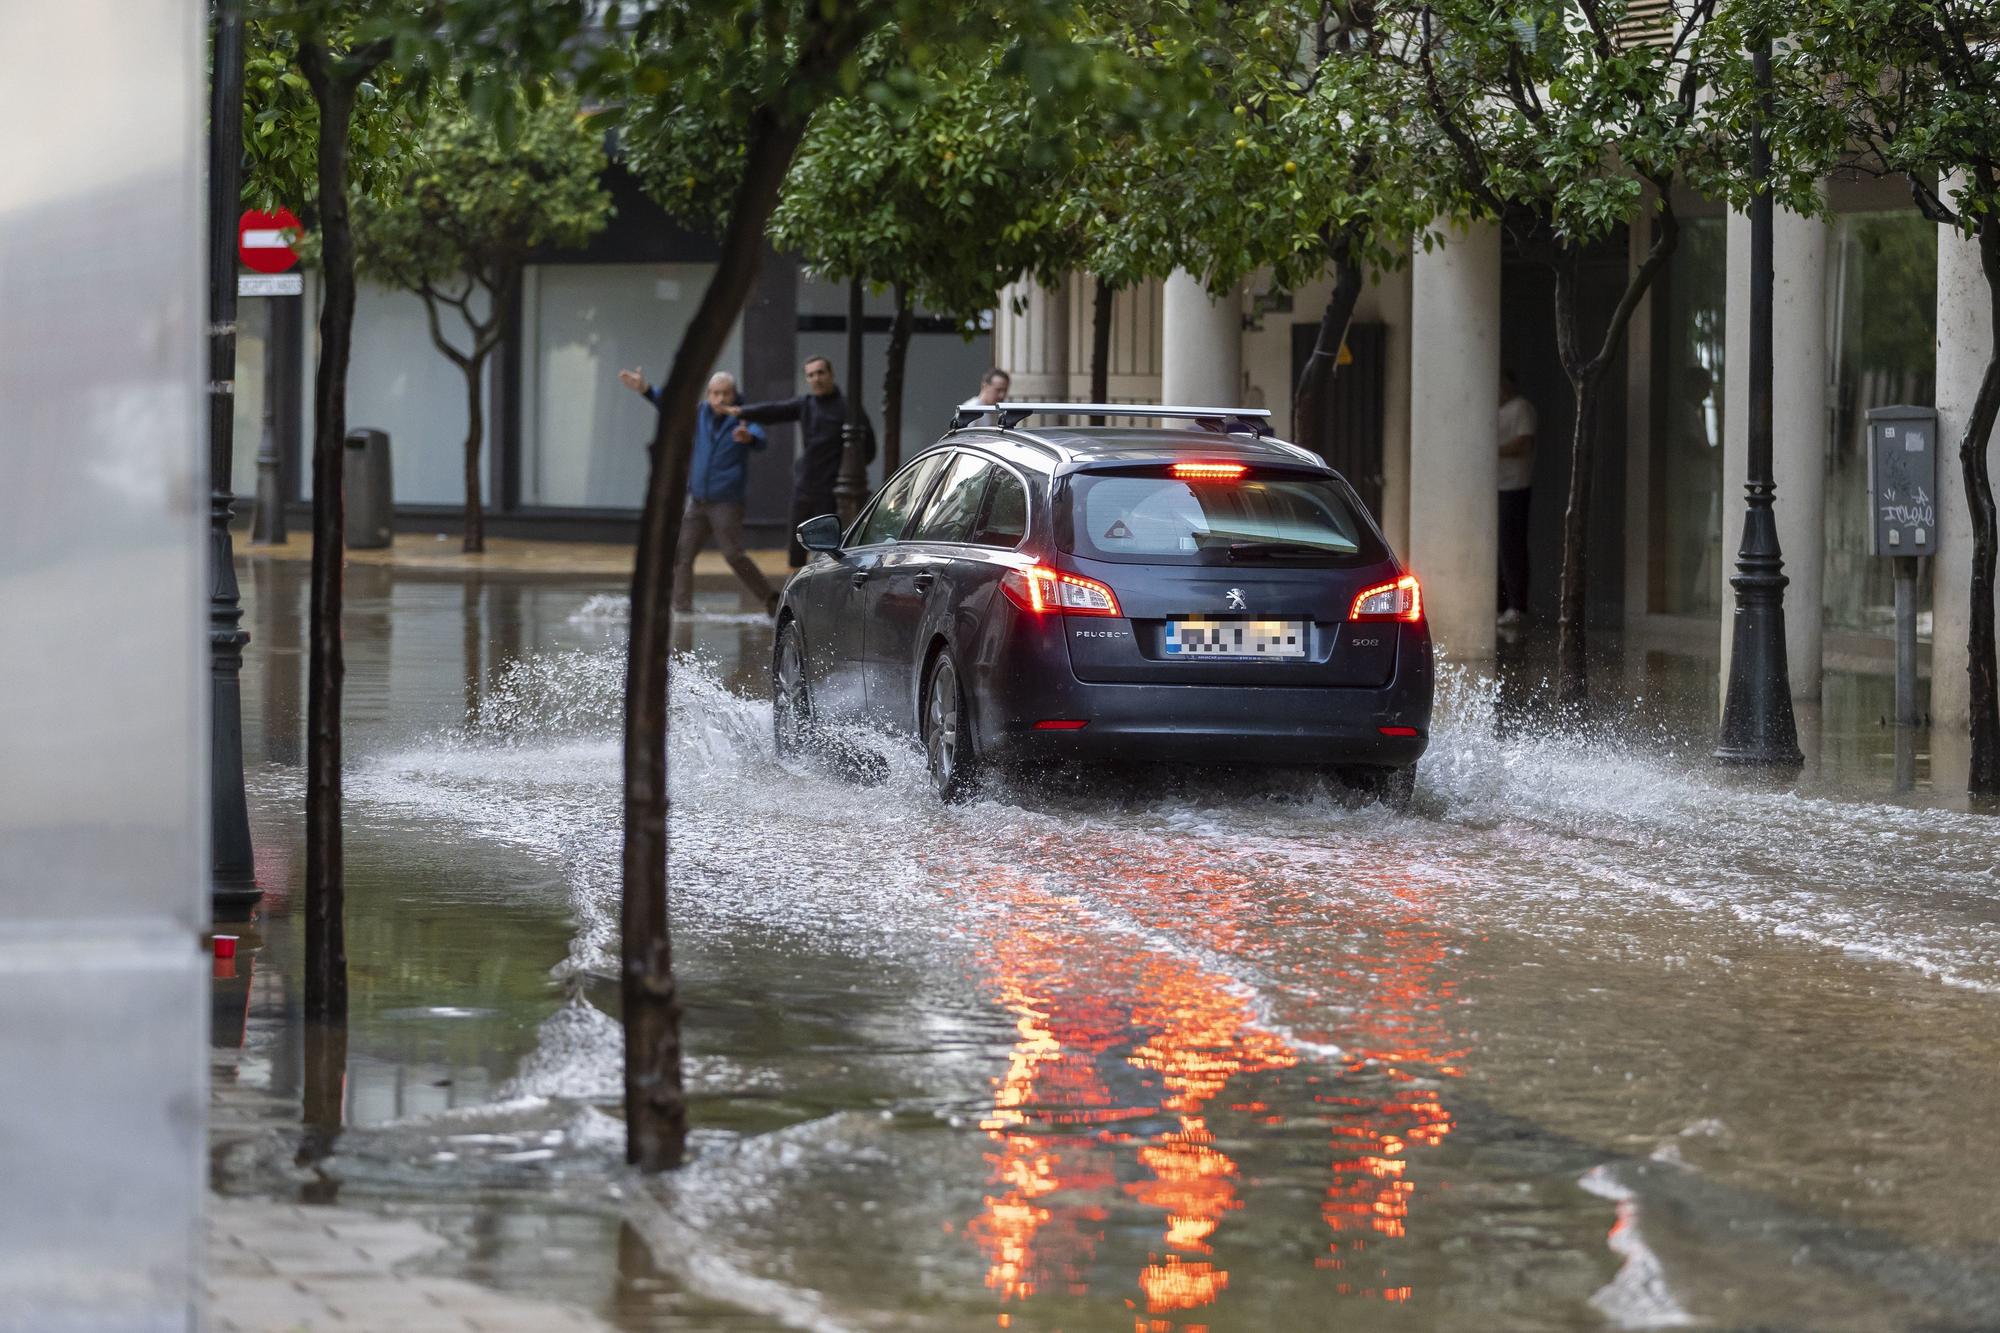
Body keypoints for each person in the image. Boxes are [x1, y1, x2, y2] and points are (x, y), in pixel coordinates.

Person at [618, 366, 778, 616]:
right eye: (714, 393)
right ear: (708, 394)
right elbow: (670, 405)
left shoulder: (743, 415)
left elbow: (760, 438)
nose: (719, 399)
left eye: (725, 393)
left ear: (734, 394)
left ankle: (771, 599)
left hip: (726, 502)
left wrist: (750, 438)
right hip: (698, 501)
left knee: (733, 555)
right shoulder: (700, 413)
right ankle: (681, 609)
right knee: (681, 554)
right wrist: (645, 389)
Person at [722, 355, 873, 567]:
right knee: (796, 547)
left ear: (831, 374)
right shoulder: (806, 404)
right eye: (811, 375)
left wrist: (844, 475)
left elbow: (869, 449)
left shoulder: (847, 407)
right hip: (804, 484)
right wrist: (742, 411)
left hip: (831, 490)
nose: (816, 378)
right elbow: (775, 410)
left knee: (826, 551)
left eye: (820, 373)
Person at [1496, 370, 1536, 628]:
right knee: (1500, 546)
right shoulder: (1497, 411)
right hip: (1497, 487)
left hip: (1515, 485)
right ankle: (1501, 604)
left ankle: (1516, 605)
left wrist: (1491, 450)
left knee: (1512, 545)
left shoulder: (1521, 408)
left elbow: (1524, 444)